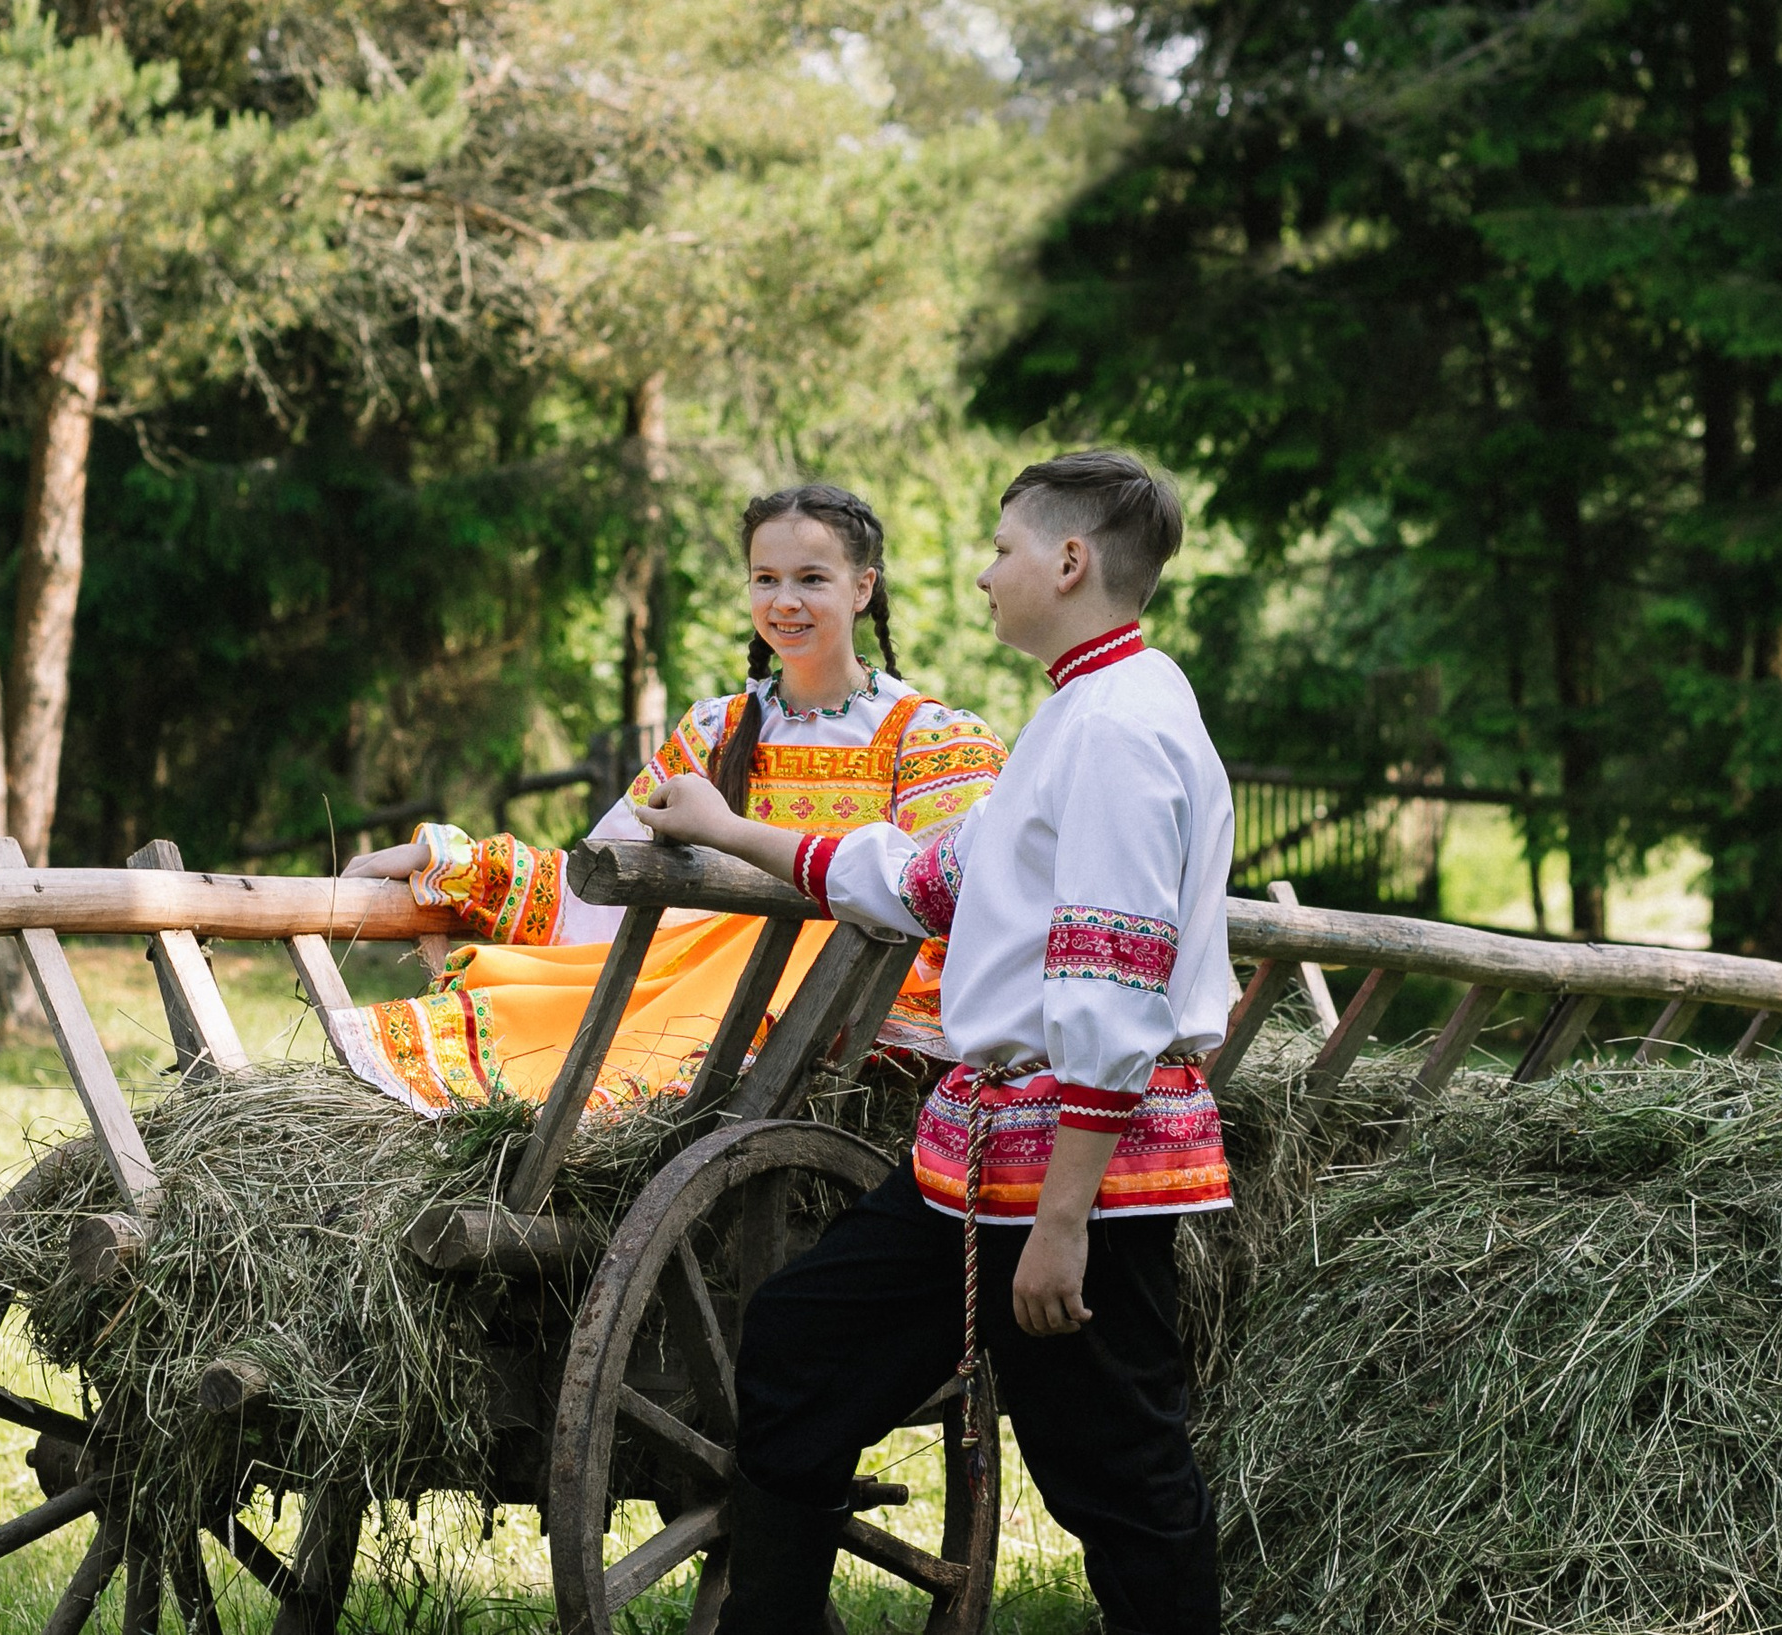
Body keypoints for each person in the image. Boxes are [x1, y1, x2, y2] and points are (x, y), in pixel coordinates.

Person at [632, 449, 1233, 1635]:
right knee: (802, 1346)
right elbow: (928, 878)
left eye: (1002, 550)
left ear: (1068, 562)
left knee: (1119, 1479)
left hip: (1077, 1173)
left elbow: (1111, 994)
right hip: (983, 1156)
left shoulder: (1119, 729)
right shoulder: (1079, 710)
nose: (981, 574)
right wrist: (736, 830)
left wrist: (1061, 1226)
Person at [332, 483, 1007, 1117]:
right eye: (765, 579)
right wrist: (452, 861)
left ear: (863, 588)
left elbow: (955, 909)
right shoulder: (714, 731)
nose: (784, 601)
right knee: (550, 1009)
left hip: (834, 1028)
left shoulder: (928, 740)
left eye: (811, 579)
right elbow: (603, 884)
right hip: (693, 991)